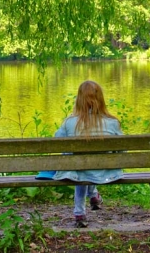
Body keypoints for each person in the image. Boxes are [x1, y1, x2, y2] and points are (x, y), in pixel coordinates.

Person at [51, 80, 123, 228]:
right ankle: (93, 195)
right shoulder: (112, 122)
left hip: (77, 171)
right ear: (101, 99)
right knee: (84, 166)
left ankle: (80, 212)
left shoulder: (70, 122)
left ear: (79, 99)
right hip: (105, 172)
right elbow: (123, 150)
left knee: (78, 164)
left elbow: (56, 142)